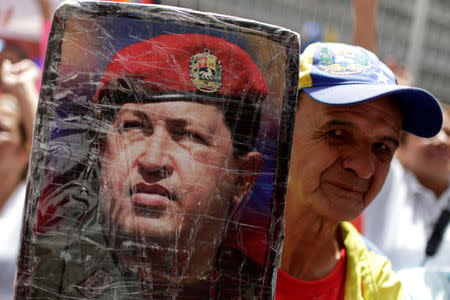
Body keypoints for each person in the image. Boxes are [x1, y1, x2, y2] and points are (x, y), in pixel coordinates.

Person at [26, 33, 267, 299]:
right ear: (100, 150)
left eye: (189, 136)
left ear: (242, 177)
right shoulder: (39, 273)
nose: (152, 161)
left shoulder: (263, 290)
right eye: (134, 127)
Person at [275, 42, 443, 299]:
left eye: (382, 147)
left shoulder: (380, 286)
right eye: (338, 134)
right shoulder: (204, 238)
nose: (364, 168)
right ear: (281, 126)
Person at [364, 107, 450, 269]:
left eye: (449, 133)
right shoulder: (387, 181)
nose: (443, 140)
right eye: (430, 133)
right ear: (398, 146)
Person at [0, 52, 40, 298]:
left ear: (26, 149)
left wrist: (24, 89)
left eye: (1, 128)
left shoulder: (32, 204)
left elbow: (54, 161)